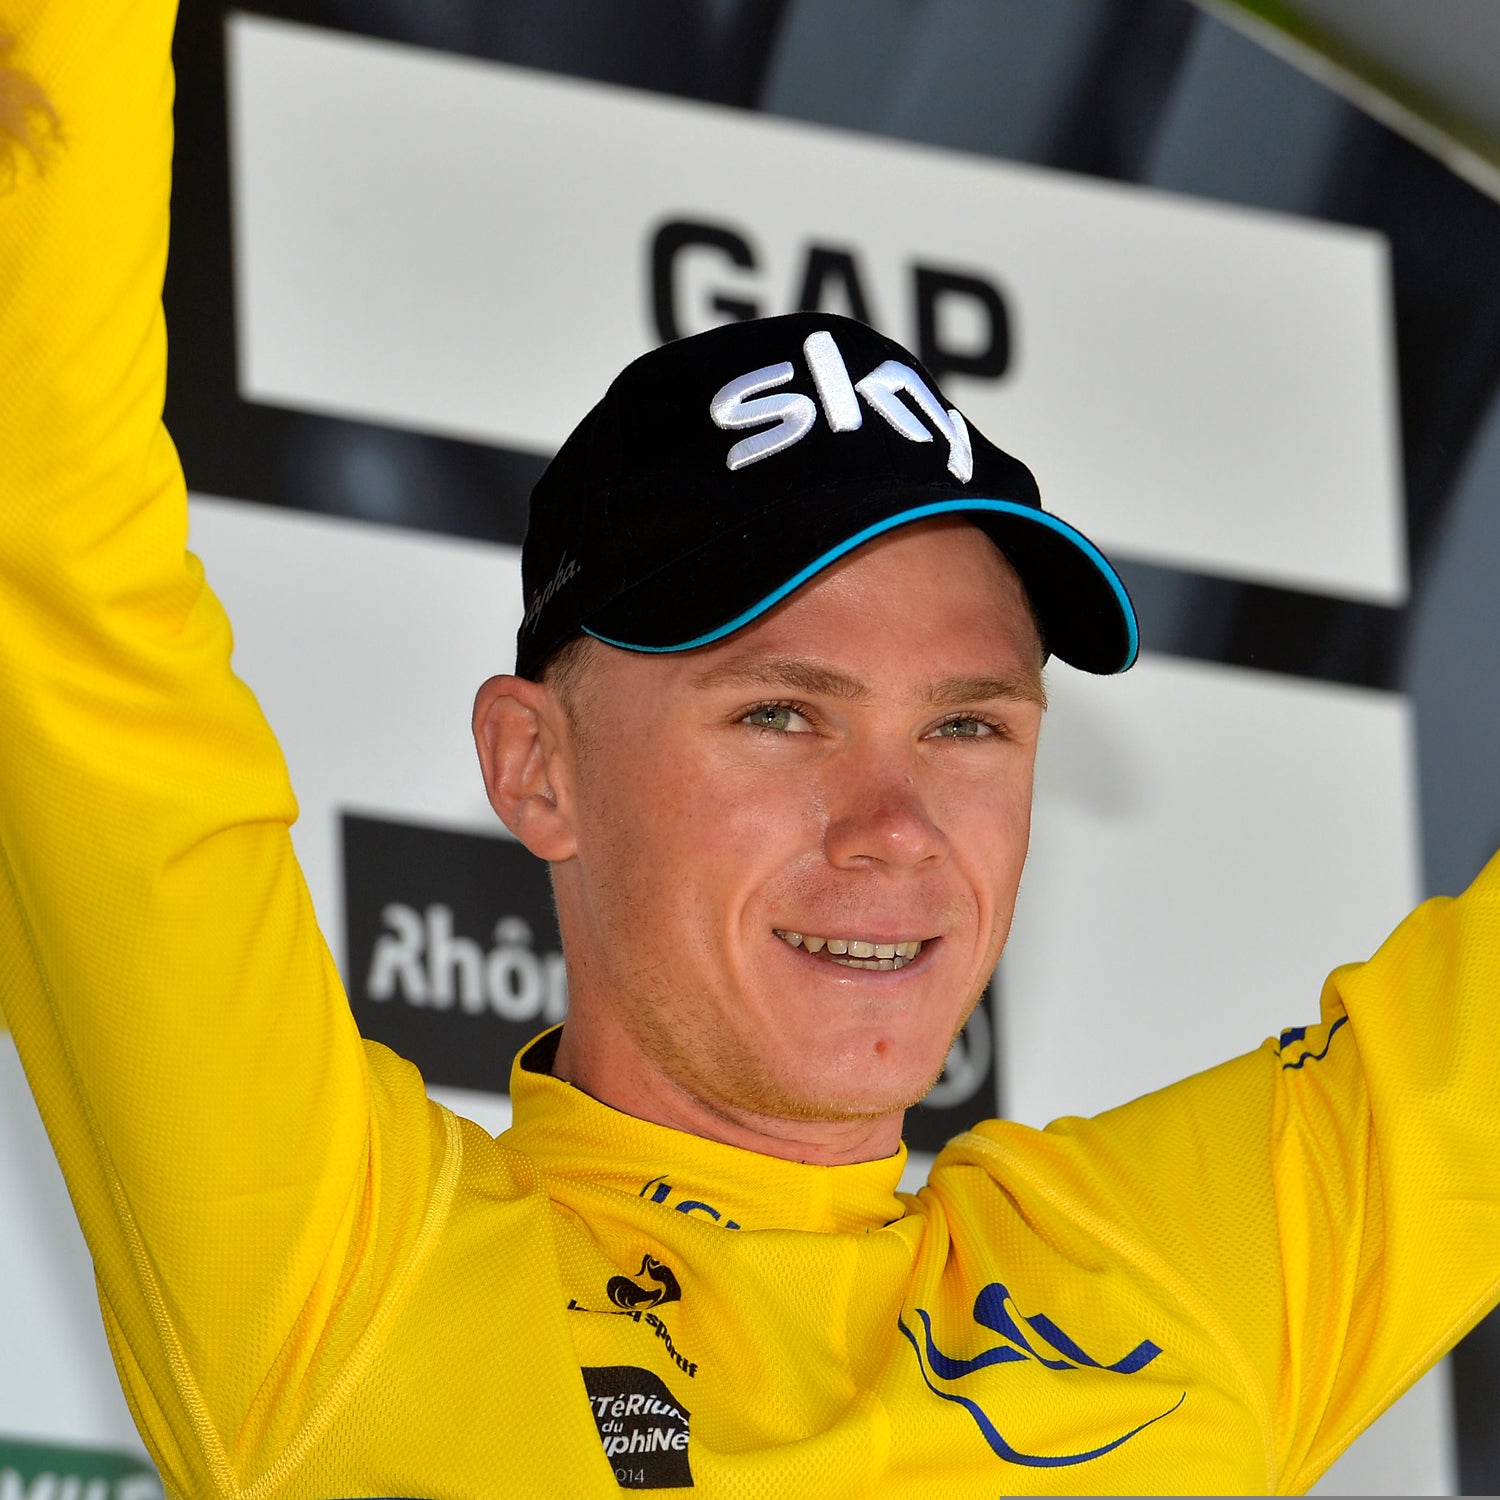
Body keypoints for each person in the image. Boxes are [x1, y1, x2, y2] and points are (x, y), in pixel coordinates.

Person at [3, 3, 1497, 1496]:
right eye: (783, 714)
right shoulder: (348, 1277)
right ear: (539, 769)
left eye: (967, 723)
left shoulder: (1168, 1282)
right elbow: (49, 557)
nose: (894, 824)